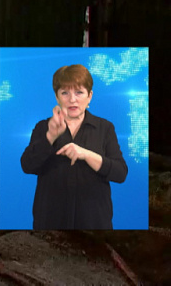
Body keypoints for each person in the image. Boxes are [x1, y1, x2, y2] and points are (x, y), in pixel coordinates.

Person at [20, 64, 128, 230]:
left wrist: (86, 155)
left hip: (94, 224)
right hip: (50, 224)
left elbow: (120, 173)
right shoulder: (43, 127)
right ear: (57, 97)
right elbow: (27, 166)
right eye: (65, 93)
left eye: (79, 92)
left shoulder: (105, 128)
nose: (72, 99)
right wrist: (50, 137)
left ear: (89, 96)